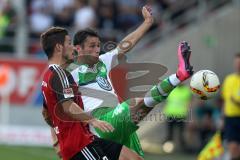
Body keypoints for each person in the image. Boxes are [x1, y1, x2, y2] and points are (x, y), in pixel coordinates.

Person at [69, 6, 193, 157]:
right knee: (136, 102)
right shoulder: (71, 74)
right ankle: (179, 76)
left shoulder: (102, 61)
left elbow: (125, 45)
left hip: (119, 120)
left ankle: (179, 76)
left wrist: (147, 22)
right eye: (91, 46)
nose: (97, 49)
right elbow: (62, 107)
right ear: (78, 49)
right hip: (103, 122)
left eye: (98, 45)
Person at [40, 26, 143, 160]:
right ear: (59, 48)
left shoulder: (48, 76)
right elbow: (68, 106)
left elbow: (46, 113)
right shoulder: (61, 73)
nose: (72, 47)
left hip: (87, 138)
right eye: (69, 43)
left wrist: (57, 137)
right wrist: (93, 121)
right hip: (78, 145)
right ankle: (175, 78)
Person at [162, 84, 192, 151]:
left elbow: (189, 103)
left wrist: (189, 114)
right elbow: (167, 102)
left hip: (181, 115)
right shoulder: (171, 90)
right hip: (170, 114)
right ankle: (168, 149)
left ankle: (183, 149)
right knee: (170, 133)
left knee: (181, 133)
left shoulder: (186, 91)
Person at [222, 53, 240, 160]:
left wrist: (237, 102)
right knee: (233, 148)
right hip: (230, 119)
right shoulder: (228, 79)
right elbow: (225, 100)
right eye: (237, 63)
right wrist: (222, 118)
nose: (238, 65)